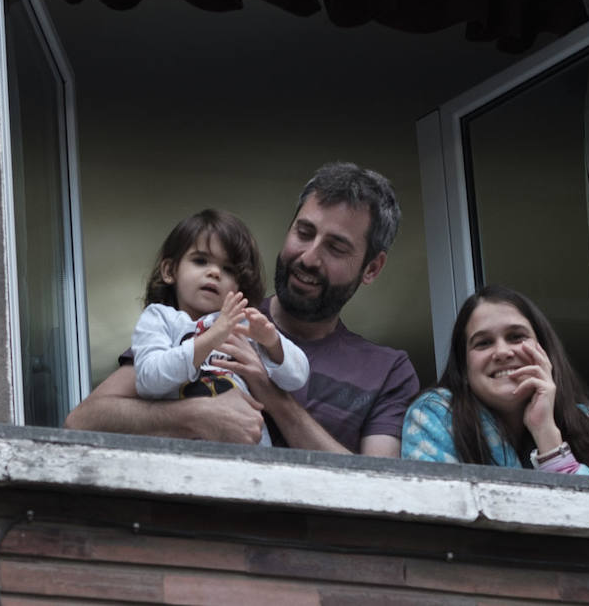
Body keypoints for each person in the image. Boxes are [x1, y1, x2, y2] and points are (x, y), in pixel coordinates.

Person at [64, 162, 419, 456]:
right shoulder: (212, 322)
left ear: (372, 268)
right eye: (304, 232)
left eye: (336, 248)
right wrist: (197, 414)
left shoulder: (388, 371)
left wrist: (273, 397)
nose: (309, 257)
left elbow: (380, 485)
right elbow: (84, 420)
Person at [130, 209, 309, 446]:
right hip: (181, 459)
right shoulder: (160, 319)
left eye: (229, 269)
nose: (214, 272)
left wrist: (272, 342)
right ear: (170, 271)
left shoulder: (242, 325)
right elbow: (149, 380)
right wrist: (212, 337)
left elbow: (298, 377)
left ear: (239, 286)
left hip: (249, 463)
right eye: (200, 260)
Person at [402, 286, 589, 477]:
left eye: (516, 336)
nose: (502, 352)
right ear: (464, 367)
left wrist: (546, 432)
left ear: (545, 351)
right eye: (484, 343)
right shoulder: (435, 415)